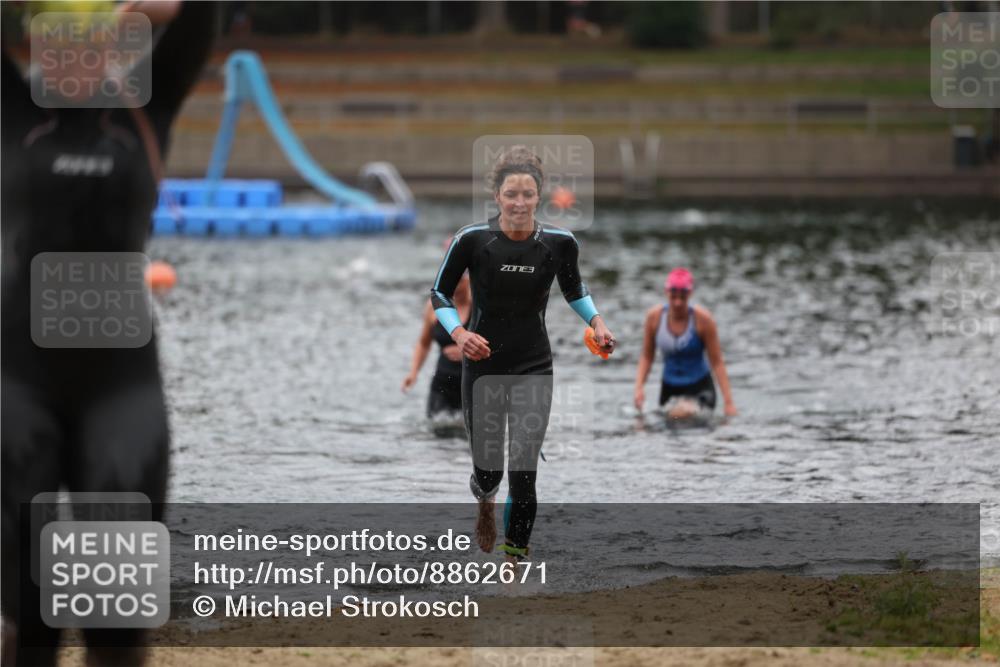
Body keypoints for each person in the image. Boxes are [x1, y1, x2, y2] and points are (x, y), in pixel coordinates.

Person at [1, 2, 213, 664]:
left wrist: (161, 10)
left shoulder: (142, 113)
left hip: (119, 389)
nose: (70, 50)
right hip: (17, 384)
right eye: (55, 33)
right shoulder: (12, 111)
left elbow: (203, 15)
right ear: (33, 37)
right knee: (27, 614)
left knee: (115, 621)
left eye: (86, 34)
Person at [430, 145, 615, 562]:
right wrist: (459, 334)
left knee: (524, 469)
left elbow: (574, 289)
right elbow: (439, 292)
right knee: (489, 470)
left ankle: (514, 563)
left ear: (539, 196)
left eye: (527, 194)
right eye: (510, 194)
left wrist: (597, 323)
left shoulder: (559, 243)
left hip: (534, 364)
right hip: (482, 365)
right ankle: (485, 500)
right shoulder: (473, 240)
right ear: (496, 195)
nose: (518, 202)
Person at [634, 268, 737, 420]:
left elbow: (717, 362)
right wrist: (639, 388)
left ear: (690, 294)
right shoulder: (654, 318)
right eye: (673, 296)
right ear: (666, 292)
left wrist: (729, 402)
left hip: (700, 388)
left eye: (682, 297)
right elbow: (647, 356)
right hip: (669, 388)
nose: (677, 302)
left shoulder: (704, 320)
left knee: (683, 414)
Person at [402, 268, 471, 423]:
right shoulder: (435, 307)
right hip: (442, 382)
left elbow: (501, 344)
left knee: (468, 439)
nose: (455, 286)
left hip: (472, 384)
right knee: (436, 431)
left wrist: (468, 351)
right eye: (451, 280)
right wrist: (413, 373)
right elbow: (423, 343)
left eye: (460, 281)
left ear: (469, 280)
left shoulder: (481, 306)